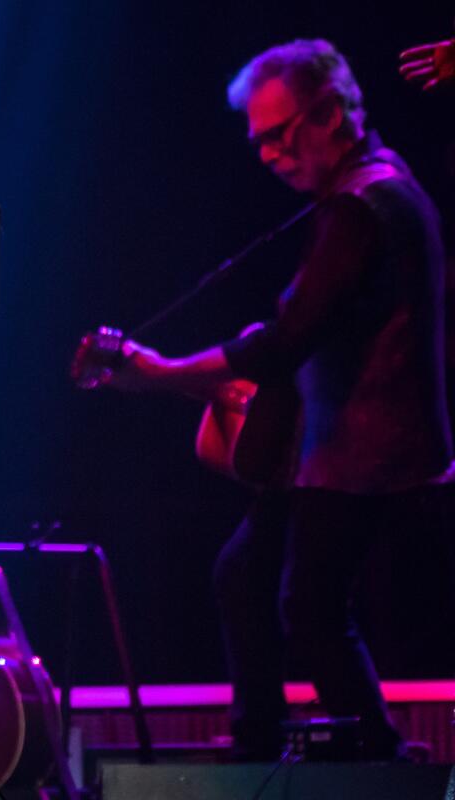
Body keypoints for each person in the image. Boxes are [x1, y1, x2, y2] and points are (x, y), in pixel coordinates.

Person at [81, 39, 452, 760]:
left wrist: (159, 372)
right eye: (257, 141)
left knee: (309, 609)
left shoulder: (365, 205)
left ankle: (379, 756)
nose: (267, 155)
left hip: (366, 457)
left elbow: (286, 340)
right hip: (333, 451)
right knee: (244, 574)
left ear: (332, 113)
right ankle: (258, 740)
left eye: (278, 136)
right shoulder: (369, 188)